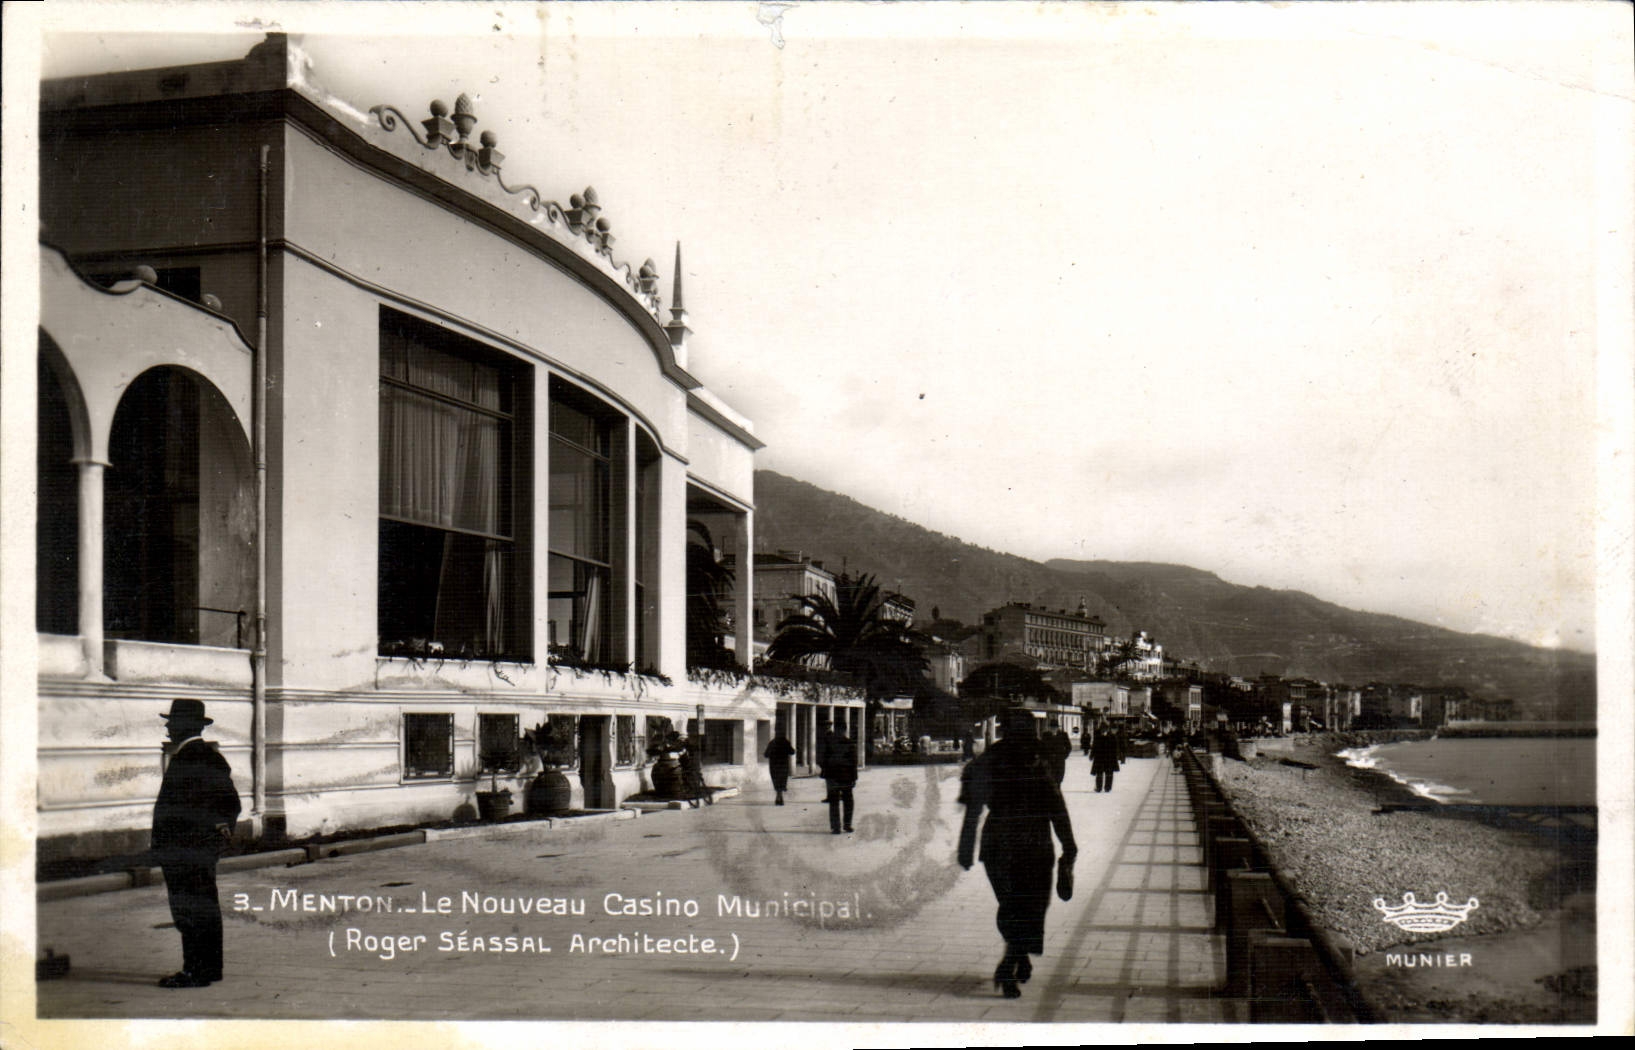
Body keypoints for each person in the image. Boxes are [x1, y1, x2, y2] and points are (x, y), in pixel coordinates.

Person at [959, 708, 1076, 998]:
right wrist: (1069, 845)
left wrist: (966, 846)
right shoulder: (1039, 759)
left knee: (1010, 905)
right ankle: (1010, 961)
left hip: (997, 842)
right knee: (1032, 906)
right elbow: (1056, 805)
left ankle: (1017, 955)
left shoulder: (988, 759)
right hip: (1034, 841)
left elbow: (973, 808)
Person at [151, 698, 241, 988]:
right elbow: (228, 805)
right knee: (203, 909)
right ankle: (209, 969)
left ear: (183, 726)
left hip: (186, 851)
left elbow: (226, 803)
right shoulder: (205, 755)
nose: (167, 726)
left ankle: (195, 971)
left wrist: (201, 837)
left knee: (190, 911)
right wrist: (216, 835)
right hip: (195, 849)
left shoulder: (193, 757)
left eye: (172, 722)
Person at [824, 728, 858, 834]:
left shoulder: (830, 743)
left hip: (833, 777)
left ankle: (836, 827)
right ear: (845, 730)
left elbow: (823, 759)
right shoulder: (849, 743)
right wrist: (854, 777)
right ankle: (847, 825)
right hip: (846, 777)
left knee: (834, 802)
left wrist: (827, 773)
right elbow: (854, 762)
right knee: (848, 801)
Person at [764, 731, 795, 805]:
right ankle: (779, 797)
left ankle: (778, 797)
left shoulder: (772, 743)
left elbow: (766, 754)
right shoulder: (786, 742)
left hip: (774, 766)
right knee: (782, 781)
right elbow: (792, 752)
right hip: (783, 766)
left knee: (776, 781)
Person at [1091, 719, 1121, 793]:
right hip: (1099, 759)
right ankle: (1099, 787)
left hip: (1109, 759)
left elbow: (1115, 748)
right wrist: (1092, 755)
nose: (1103, 731)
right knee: (1099, 774)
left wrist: (1116, 756)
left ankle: (1108, 787)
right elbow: (1094, 747)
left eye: (1105, 729)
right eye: (1102, 729)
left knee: (1109, 774)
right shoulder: (1097, 737)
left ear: (1107, 729)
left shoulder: (1112, 737)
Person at [1042, 719, 1072, 785]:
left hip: (1059, 762)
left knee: (1058, 780)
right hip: (1049, 762)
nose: (1053, 729)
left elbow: (1069, 747)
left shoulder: (1063, 735)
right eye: (1052, 727)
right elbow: (1042, 748)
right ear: (1049, 727)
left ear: (1058, 727)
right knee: (1049, 781)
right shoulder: (1045, 735)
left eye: (1055, 727)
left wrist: (1064, 756)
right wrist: (1045, 757)